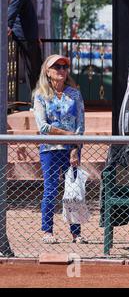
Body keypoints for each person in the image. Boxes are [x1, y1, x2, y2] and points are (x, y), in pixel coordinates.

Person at [32, 54, 85, 244]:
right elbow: (43, 127)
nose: (62, 70)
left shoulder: (75, 94)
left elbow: (80, 125)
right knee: (51, 190)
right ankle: (47, 231)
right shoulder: (40, 95)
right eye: (57, 67)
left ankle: (76, 233)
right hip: (50, 149)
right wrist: (68, 135)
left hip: (71, 149)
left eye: (64, 67)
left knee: (73, 192)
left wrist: (74, 147)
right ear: (48, 71)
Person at [8, 0, 42, 99]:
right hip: (25, 37)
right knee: (32, 71)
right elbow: (13, 7)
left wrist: (35, 36)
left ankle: (38, 100)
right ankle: (36, 101)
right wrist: (8, 25)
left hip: (29, 37)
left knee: (36, 70)